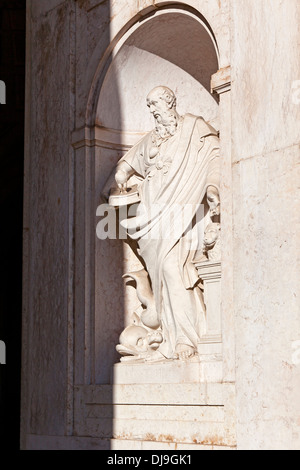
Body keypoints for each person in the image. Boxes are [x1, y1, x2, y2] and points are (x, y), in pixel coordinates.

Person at [113, 86, 220, 361]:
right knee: (159, 273)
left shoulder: (195, 129)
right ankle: (169, 337)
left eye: (155, 104)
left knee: (173, 268)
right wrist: (122, 174)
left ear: (170, 101)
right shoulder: (152, 140)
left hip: (183, 213)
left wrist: (214, 187)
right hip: (153, 215)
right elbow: (128, 162)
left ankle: (187, 338)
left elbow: (214, 157)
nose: (152, 110)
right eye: (148, 106)